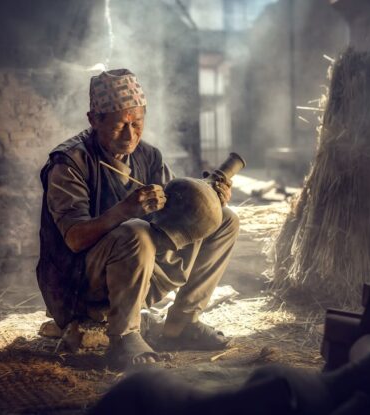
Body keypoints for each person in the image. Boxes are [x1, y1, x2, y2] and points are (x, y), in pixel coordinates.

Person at [36, 69, 240, 367]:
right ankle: (124, 338)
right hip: (79, 283)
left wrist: (209, 198)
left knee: (224, 220)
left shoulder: (148, 156)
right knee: (135, 230)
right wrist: (125, 210)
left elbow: (175, 212)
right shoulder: (70, 163)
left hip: (137, 272)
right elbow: (75, 239)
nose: (131, 134)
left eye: (137, 122)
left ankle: (181, 324)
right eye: (120, 125)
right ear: (94, 120)